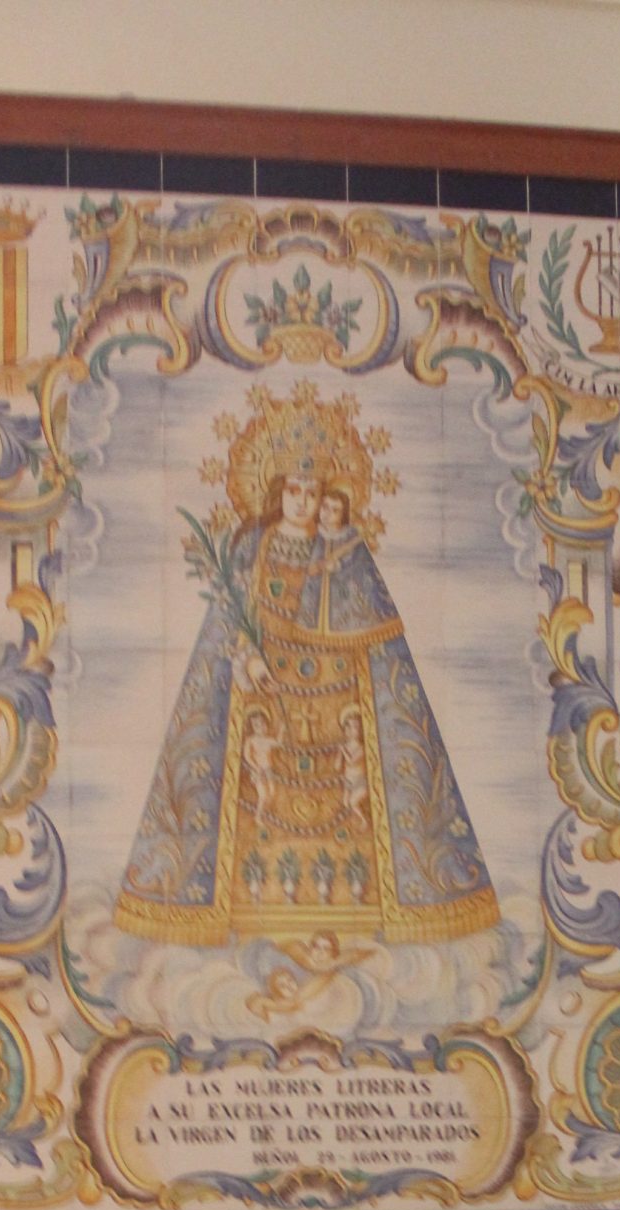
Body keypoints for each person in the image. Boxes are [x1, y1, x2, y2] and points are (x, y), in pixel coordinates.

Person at [115, 384, 499, 947]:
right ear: (276, 492)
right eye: (292, 490)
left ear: (327, 498)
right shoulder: (253, 545)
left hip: (336, 698)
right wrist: (247, 657)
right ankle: (236, 905)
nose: (301, 501)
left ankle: (370, 902)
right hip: (262, 692)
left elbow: (370, 628)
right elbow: (230, 617)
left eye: (311, 491)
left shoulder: (343, 551)